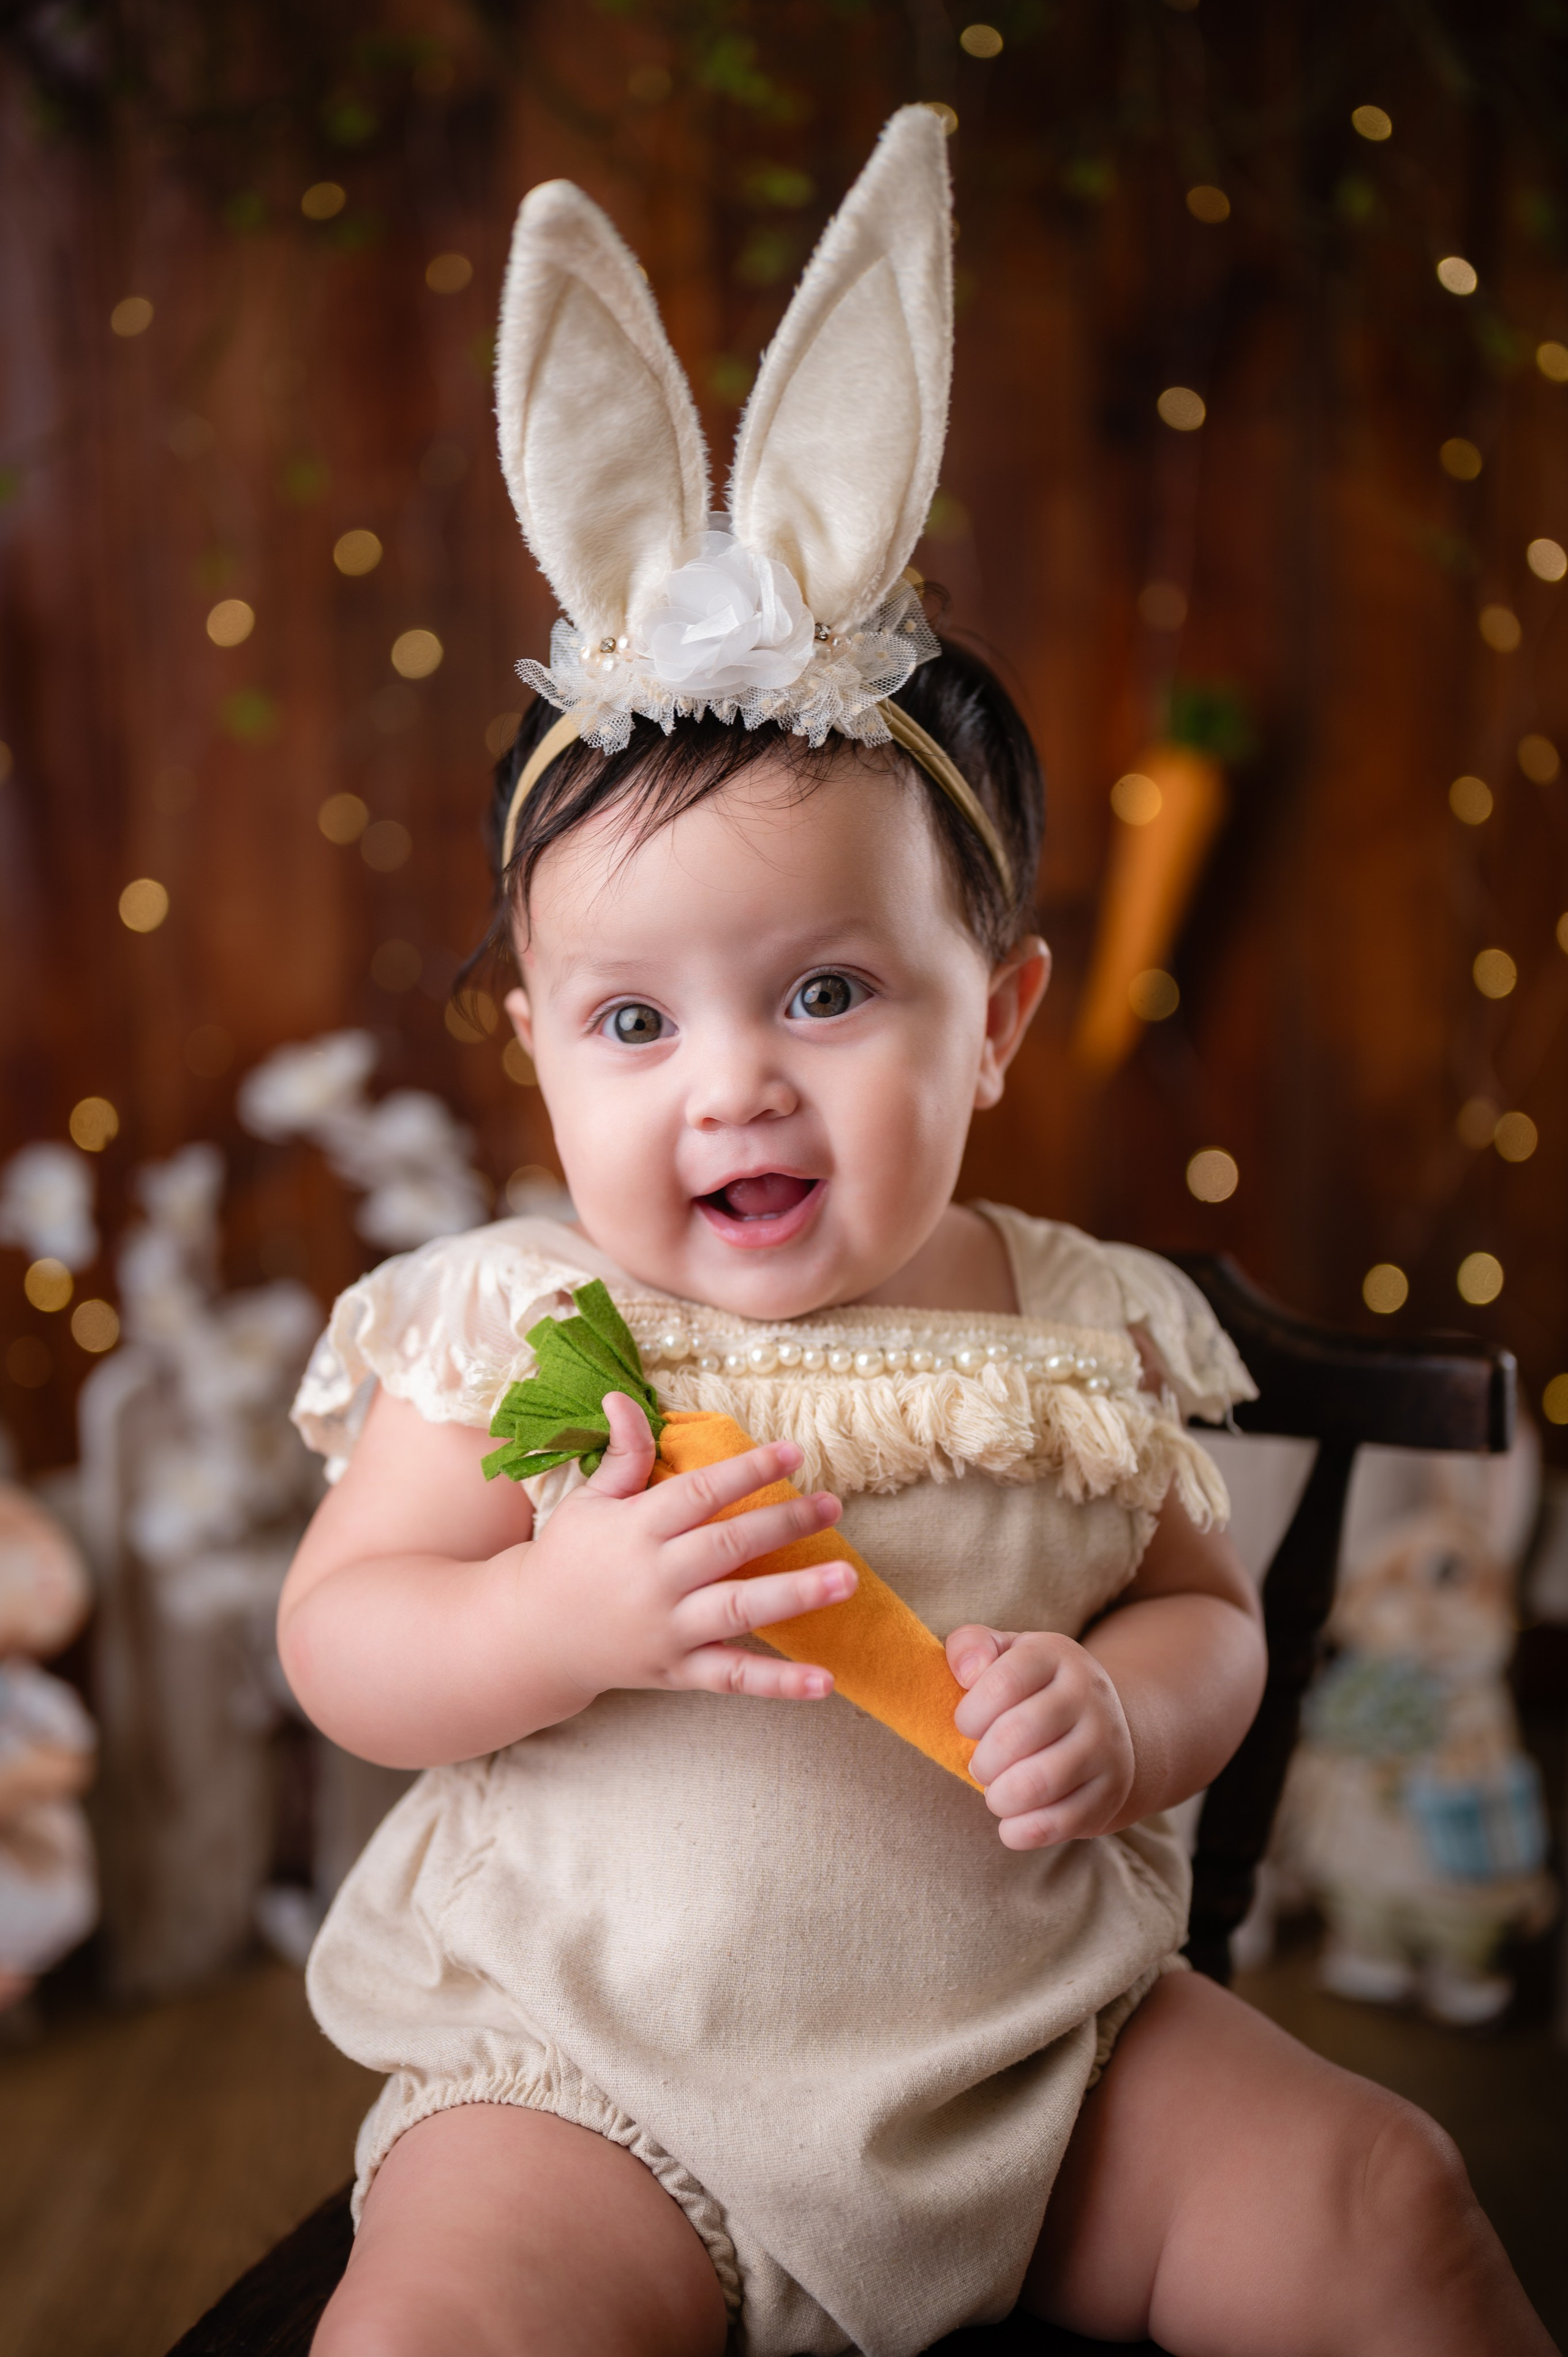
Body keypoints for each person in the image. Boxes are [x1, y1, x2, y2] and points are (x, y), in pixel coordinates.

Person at [278, 110, 1554, 2357]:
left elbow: (1205, 1615)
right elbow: (345, 1637)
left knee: (1384, 2199)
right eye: (637, 1020)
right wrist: (553, 1615)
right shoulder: (524, 1325)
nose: (733, 1086)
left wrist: (1131, 1712)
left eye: (829, 994)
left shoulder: (1076, 1326)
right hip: (602, 2092)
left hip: (1043, 2063)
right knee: (444, 2329)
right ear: (540, 1051)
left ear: (999, 1023)